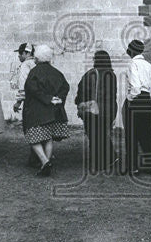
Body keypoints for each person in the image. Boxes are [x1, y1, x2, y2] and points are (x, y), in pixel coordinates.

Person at [22, 44, 70, 176]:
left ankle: (44, 162)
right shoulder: (57, 72)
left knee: (33, 138)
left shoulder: (34, 72)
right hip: (53, 111)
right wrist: (58, 98)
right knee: (48, 137)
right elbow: (65, 86)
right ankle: (47, 162)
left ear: (37, 58)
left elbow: (32, 89)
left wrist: (47, 99)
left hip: (37, 110)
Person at [75, 49, 118, 174]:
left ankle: (99, 163)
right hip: (109, 110)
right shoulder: (112, 75)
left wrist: (80, 103)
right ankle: (110, 157)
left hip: (94, 110)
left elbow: (81, 92)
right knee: (103, 134)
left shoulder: (90, 74)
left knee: (94, 137)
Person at [121, 39, 151, 176]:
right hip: (146, 100)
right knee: (147, 133)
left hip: (136, 100)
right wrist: (150, 100)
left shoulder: (132, 64)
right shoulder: (148, 65)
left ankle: (133, 166)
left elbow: (135, 86)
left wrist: (130, 99)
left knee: (132, 134)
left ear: (132, 51)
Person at [10, 42, 35, 116]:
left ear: (26, 53)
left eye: (21, 53)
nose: (19, 55)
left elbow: (23, 84)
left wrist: (18, 102)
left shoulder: (25, 65)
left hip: (30, 100)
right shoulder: (37, 63)